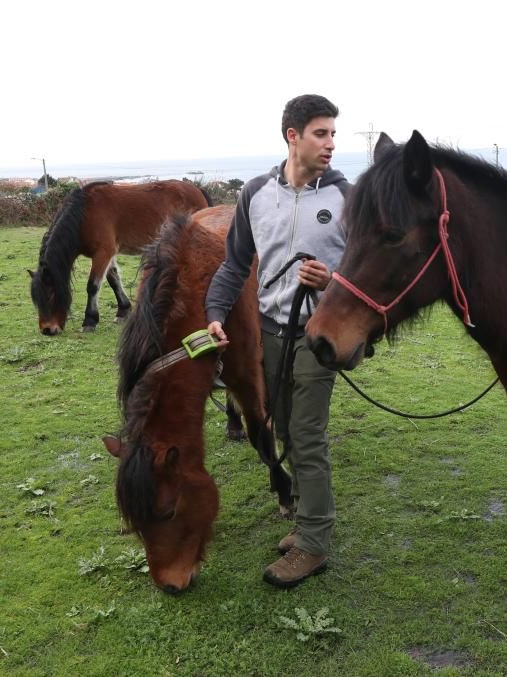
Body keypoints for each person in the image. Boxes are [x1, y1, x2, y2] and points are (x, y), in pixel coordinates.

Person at [205, 94, 349, 588]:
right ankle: (310, 519)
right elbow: (234, 264)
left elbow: (369, 273)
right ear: (293, 136)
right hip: (268, 332)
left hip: (318, 332)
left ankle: (312, 544)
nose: (331, 143)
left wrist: (332, 278)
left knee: (306, 436)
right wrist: (215, 313)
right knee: (282, 425)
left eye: (333, 133)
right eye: (321, 133)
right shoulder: (255, 193)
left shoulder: (345, 196)